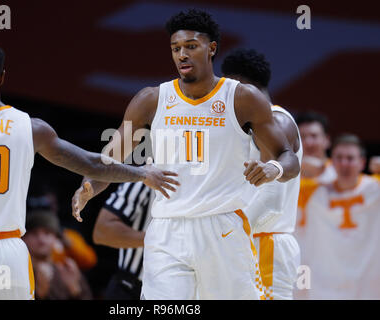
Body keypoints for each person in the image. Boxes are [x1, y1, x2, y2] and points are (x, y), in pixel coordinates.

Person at [72, 9, 300, 300]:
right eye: (175, 48)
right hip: (167, 230)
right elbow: (110, 159)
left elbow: (288, 157)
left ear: (212, 48)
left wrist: (273, 170)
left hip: (223, 227)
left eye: (191, 47)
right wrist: (88, 186)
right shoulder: (151, 100)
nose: (182, 55)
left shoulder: (242, 98)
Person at [0, 39, 179, 300]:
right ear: (2, 77)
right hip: (9, 252)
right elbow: (94, 163)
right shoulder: (32, 127)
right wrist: (141, 173)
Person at [221, 48, 302, 300]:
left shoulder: (277, 122)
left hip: (267, 244)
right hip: (250, 240)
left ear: (240, 85)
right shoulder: (254, 124)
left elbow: (271, 201)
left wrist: (224, 234)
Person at [302, 134, 380, 299]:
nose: (344, 164)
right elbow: (291, 177)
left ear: (362, 162)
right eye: (339, 158)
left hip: (369, 280)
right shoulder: (316, 193)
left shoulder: (375, 187)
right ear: (332, 162)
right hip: (329, 282)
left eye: (350, 158)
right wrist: (320, 169)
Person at [93, 181, 153, 299]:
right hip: (130, 288)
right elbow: (102, 231)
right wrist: (160, 239)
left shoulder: (197, 189)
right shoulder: (143, 183)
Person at [23, 209, 92, 300]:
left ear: (56, 239)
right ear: (24, 238)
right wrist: (39, 294)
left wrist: (74, 289)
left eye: (47, 233)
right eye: (34, 233)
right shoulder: (19, 272)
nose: (41, 239)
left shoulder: (68, 271)